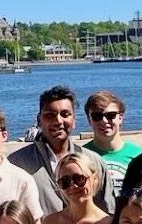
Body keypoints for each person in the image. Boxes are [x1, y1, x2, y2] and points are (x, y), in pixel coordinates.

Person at [8, 86, 114, 216]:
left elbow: (108, 213)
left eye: (65, 114)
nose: (58, 121)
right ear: (39, 120)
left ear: (74, 120)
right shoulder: (17, 163)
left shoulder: (94, 161)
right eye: (50, 115)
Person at [82, 91, 142, 198]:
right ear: (89, 120)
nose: (104, 121)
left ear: (120, 117)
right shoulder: (81, 156)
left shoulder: (139, 156)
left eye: (111, 116)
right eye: (97, 116)